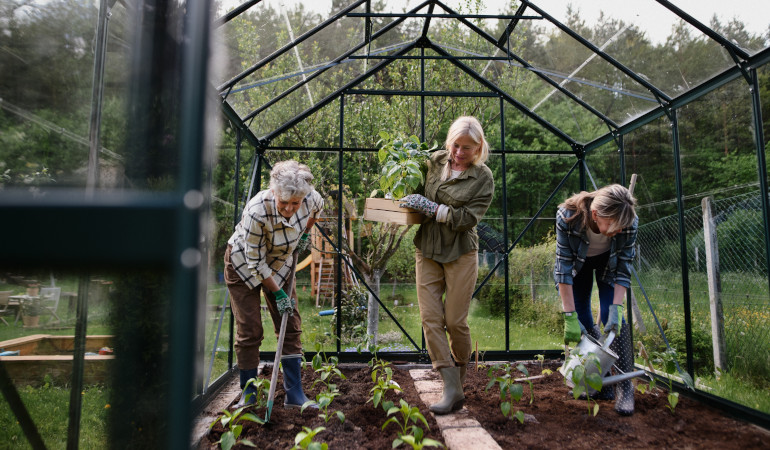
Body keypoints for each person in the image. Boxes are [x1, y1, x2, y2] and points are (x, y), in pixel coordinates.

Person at [399, 116, 494, 415]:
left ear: (479, 147)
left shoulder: (483, 178)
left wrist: (432, 207)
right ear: (448, 142)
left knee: (454, 321)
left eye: (468, 147)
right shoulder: (432, 162)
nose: (459, 152)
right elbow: (411, 188)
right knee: (430, 318)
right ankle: (450, 384)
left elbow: (466, 220)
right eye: (455, 145)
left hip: (460, 252)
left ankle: (460, 375)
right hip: (426, 248)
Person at [224, 160, 323, 407]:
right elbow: (256, 263)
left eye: (295, 203)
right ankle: (248, 394)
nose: (290, 209)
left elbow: (315, 212)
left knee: (290, 325)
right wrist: (279, 294)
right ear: (274, 193)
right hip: (244, 265)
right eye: (284, 202)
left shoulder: (311, 198)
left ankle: (294, 395)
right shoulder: (257, 211)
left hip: (281, 263)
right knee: (250, 330)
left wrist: (304, 234)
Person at [553, 184, 638, 415]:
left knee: (615, 324)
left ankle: (624, 388)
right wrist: (569, 315)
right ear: (595, 215)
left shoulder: (628, 221)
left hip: (608, 267)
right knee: (581, 317)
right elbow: (563, 268)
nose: (619, 231)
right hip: (576, 269)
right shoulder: (568, 217)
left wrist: (616, 307)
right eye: (613, 226)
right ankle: (595, 382)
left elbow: (624, 266)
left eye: (623, 227)